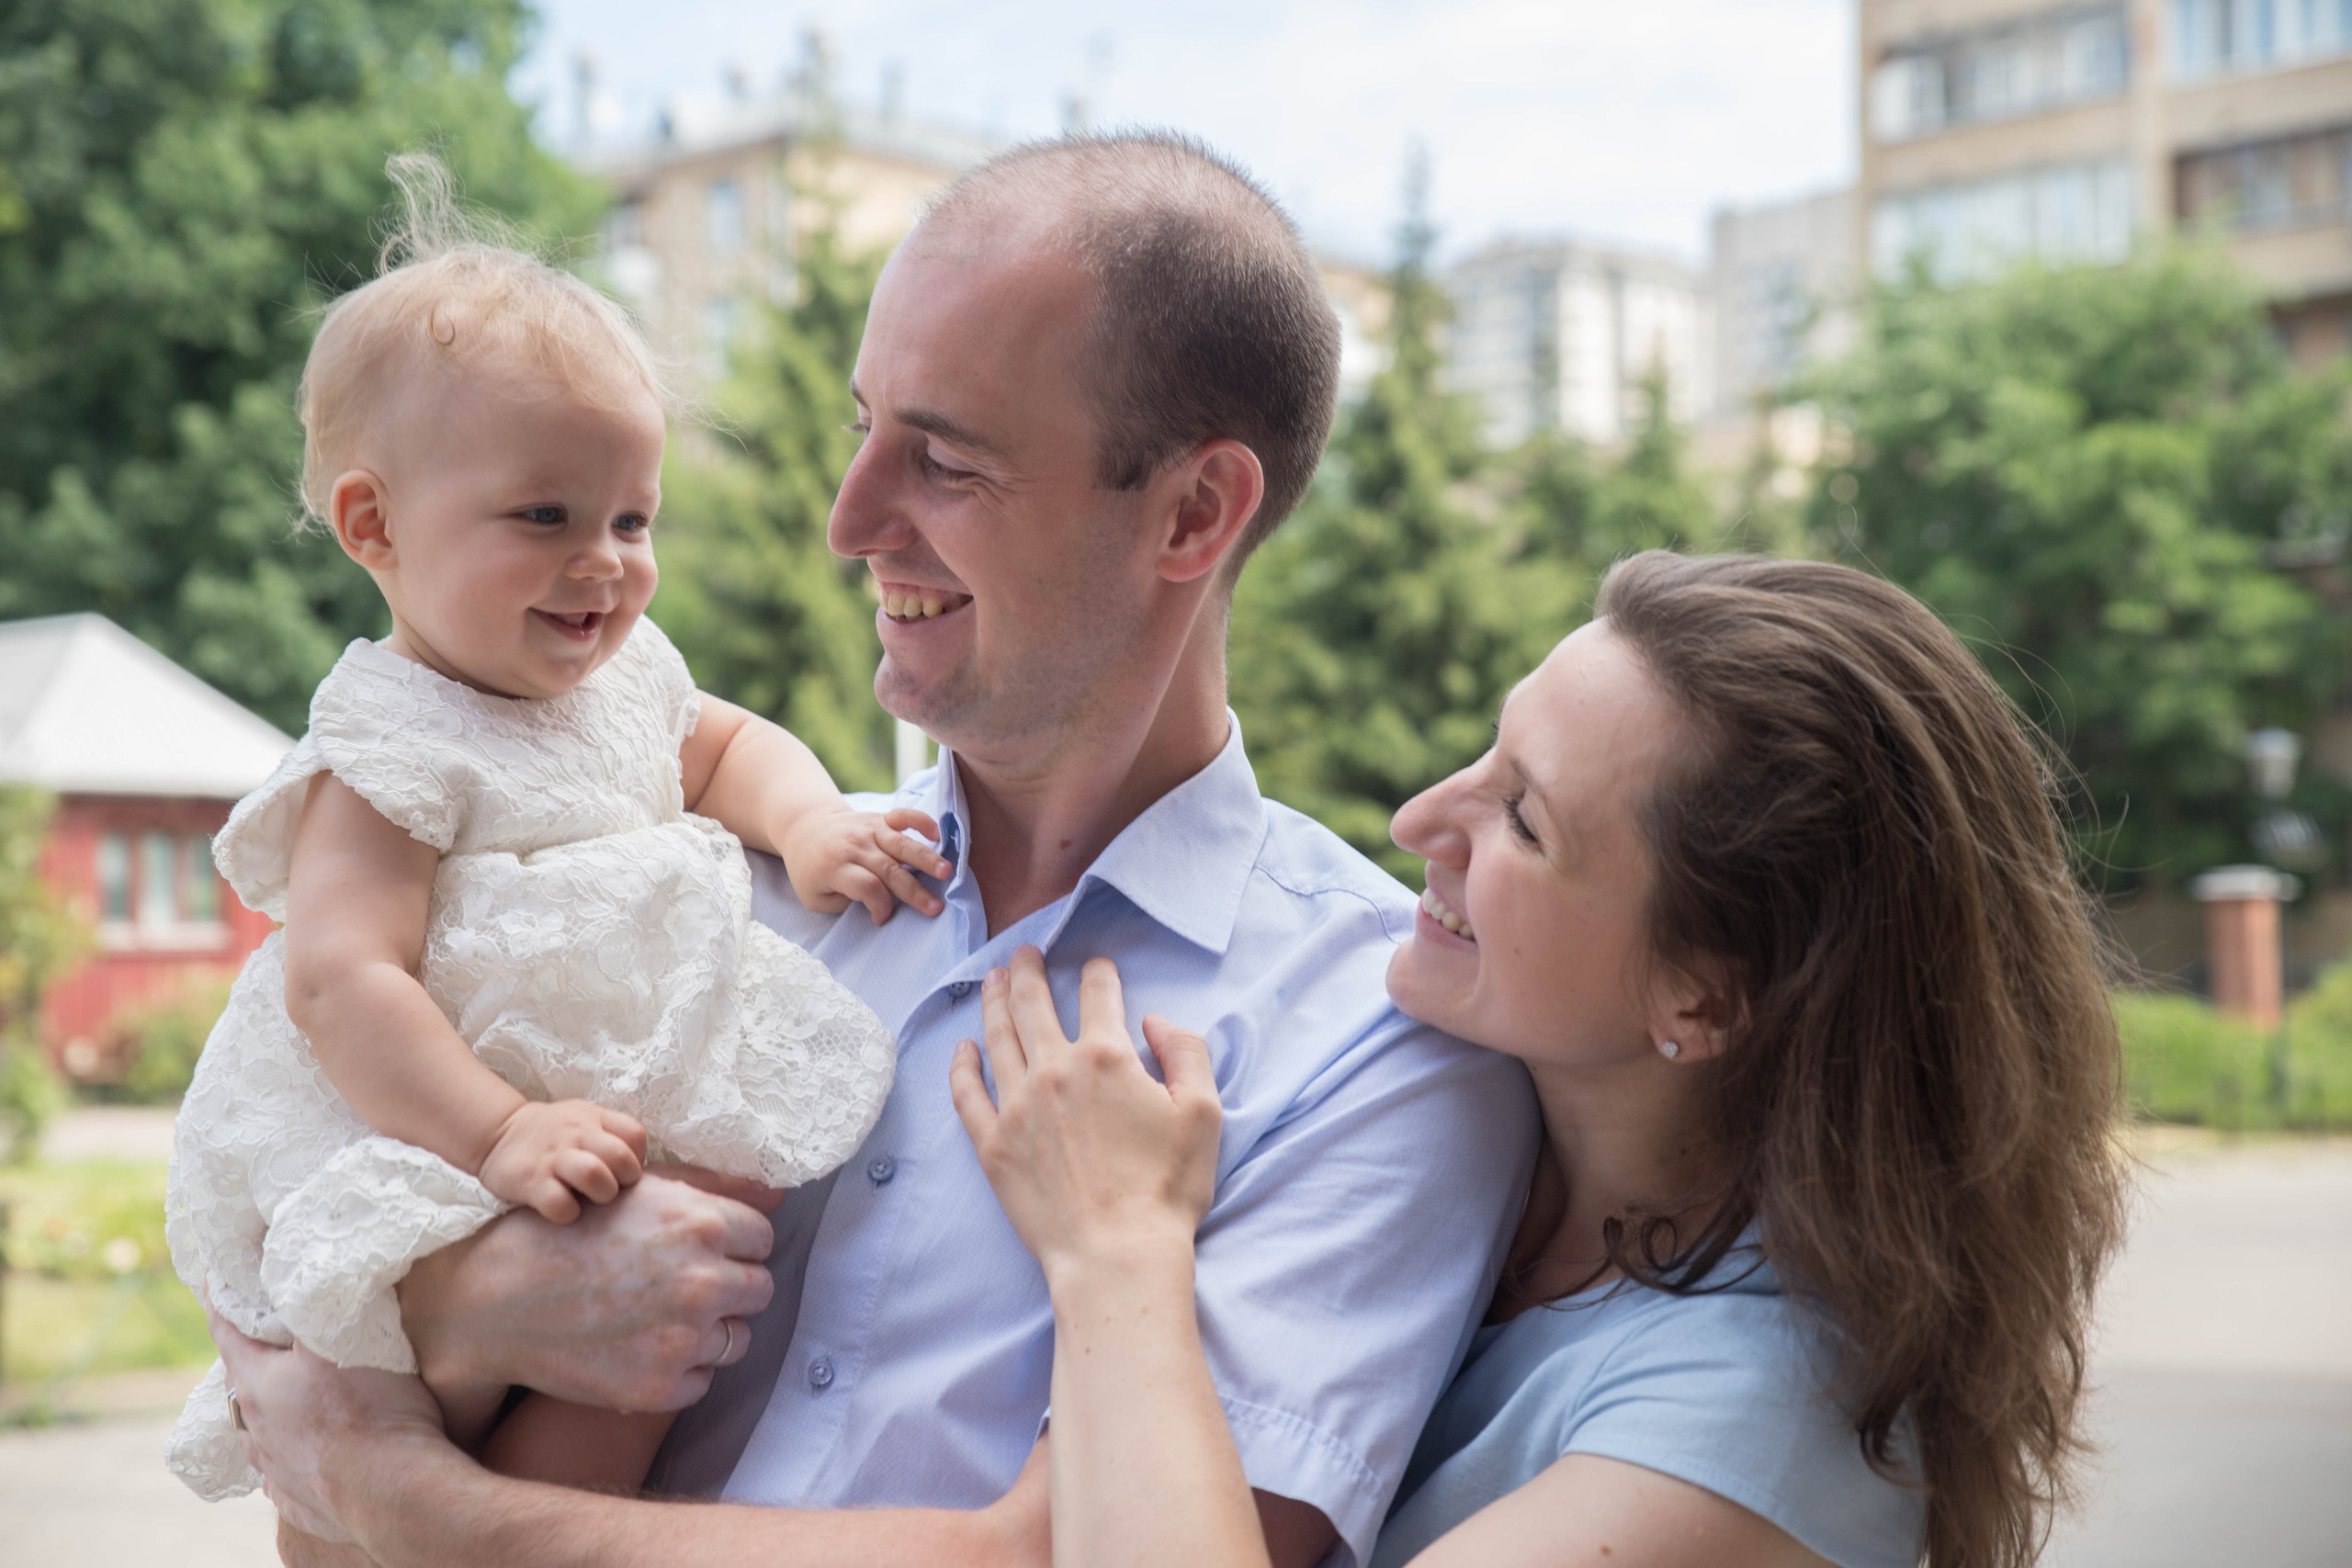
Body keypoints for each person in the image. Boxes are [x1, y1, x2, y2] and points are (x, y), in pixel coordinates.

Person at [210, 132, 1538, 1568]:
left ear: (1195, 511)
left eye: (947, 460)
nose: (849, 522)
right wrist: (455, 1313)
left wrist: (425, 1504)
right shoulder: (684, 895)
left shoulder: (1381, 1046)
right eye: (864, 427)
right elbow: (310, 1516)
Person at [956, 552, 2132, 1568]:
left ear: (1705, 994)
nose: (1419, 820)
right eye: (1487, 751)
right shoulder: (1462, 1123)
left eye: (1523, 819)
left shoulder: (1759, 1423)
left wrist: (1114, 1246)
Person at [164, 153, 942, 1503]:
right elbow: (343, 976)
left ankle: (536, 1526)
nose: (607, 561)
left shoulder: (630, 678)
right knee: (416, 1395)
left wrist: (809, 821)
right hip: (440, 1124)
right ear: (375, 523)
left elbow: (726, 745)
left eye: (633, 518)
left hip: (622, 1111)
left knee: (650, 1355)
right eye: (546, 516)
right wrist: (497, 1133)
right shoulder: (387, 744)